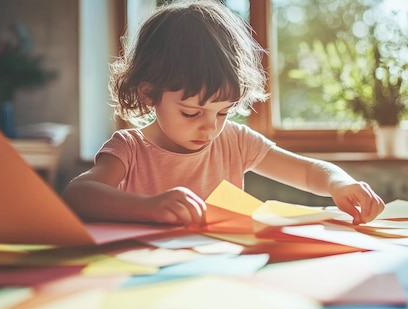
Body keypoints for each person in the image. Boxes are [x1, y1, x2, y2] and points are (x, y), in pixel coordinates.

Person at [62, 0, 385, 228]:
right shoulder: (129, 148)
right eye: (191, 112)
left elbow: (306, 172)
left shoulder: (235, 140)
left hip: (222, 272)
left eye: (223, 112)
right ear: (148, 93)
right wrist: (148, 208)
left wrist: (339, 184)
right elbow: (78, 194)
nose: (209, 128)